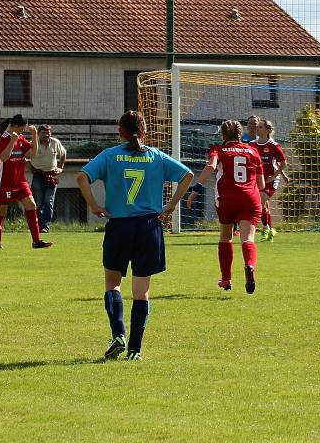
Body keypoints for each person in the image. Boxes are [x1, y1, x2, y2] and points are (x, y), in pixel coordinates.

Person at [77, 111, 193, 361]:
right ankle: (135, 350)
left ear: (120, 132)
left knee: (113, 285)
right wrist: (171, 205)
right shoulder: (155, 156)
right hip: (148, 227)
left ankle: (118, 334)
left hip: (119, 227)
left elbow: (81, 177)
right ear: (145, 132)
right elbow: (188, 175)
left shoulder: (109, 155)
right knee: (141, 292)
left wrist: (94, 205)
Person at [187, 119, 264, 295]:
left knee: (225, 236)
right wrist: (263, 202)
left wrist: (196, 189)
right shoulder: (253, 151)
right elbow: (260, 184)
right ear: (240, 134)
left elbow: (211, 166)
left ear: (222, 135)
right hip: (250, 199)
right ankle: (250, 265)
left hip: (227, 198)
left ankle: (226, 279)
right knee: (248, 239)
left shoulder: (218, 149)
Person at [0, 114, 53, 249]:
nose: (22, 131)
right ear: (16, 126)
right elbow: (3, 157)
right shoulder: (3, 138)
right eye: (22, 128)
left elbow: (33, 153)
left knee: (31, 205)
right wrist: (12, 142)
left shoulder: (20, 137)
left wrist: (35, 136)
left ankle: (36, 241)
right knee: (1, 211)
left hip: (20, 181)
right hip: (5, 182)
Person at [249, 119, 287, 242]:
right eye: (257, 127)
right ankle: (270, 229)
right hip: (257, 180)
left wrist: (274, 176)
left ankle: (264, 228)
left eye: (260, 127)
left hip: (271, 180)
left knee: (258, 203)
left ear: (267, 130)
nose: (257, 129)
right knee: (263, 206)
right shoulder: (252, 145)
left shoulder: (274, 146)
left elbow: (283, 164)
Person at [29, 125, 66, 233]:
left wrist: (60, 168)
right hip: (38, 175)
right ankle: (38, 226)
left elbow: (63, 154)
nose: (47, 135)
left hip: (52, 175)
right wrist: (31, 169)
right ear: (38, 134)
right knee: (38, 202)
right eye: (44, 133)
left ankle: (45, 226)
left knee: (48, 201)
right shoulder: (33, 144)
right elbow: (25, 157)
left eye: (48, 132)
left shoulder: (55, 142)